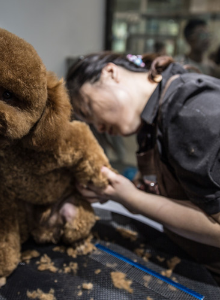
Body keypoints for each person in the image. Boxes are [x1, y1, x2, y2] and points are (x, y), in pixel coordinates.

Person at [66, 51, 220, 284]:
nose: (98, 126)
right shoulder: (150, 121)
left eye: (89, 110)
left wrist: (132, 198)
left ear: (110, 73)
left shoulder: (191, 110)